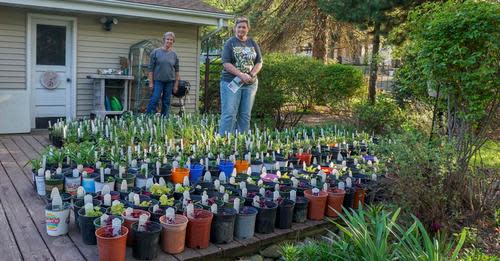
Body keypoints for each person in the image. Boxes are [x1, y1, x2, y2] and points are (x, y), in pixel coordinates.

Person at [219, 17, 263, 135]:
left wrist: (251, 74)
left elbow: (259, 62)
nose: (241, 29)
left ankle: (242, 143)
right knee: (229, 114)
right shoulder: (230, 43)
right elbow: (226, 63)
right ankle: (224, 143)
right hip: (231, 82)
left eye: (244, 27)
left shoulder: (252, 43)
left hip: (250, 84)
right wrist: (241, 75)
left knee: (245, 115)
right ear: (235, 29)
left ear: (248, 29)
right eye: (239, 27)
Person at [146, 32, 180, 116]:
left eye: (171, 40)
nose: (169, 41)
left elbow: (177, 71)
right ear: (164, 40)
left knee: (166, 101)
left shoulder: (174, 55)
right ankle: (148, 118)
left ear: (173, 41)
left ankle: (164, 119)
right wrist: (150, 82)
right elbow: (150, 69)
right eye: (168, 39)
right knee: (154, 99)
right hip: (158, 81)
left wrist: (176, 85)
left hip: (169, 82)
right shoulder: (155, 52)